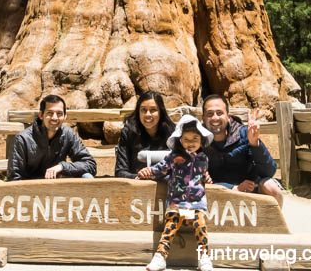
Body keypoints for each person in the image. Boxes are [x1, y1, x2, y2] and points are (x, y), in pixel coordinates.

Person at [137, 114, 214, 271]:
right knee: (170, 226)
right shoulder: (173, 157)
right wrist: (148, 172)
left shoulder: (203, 158)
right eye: (186, 139)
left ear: (201, 140)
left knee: (200, 226)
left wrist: (207, 177)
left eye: (195, 139)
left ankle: (204, 257)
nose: (191, 143)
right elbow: (161, 169)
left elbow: (202, 174)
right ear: (180, 140)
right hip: (177, 201)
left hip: (196, 202)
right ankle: (160, 257)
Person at [202, 94, 282, 207]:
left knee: (271, 187)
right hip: (213, 194)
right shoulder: (197, 139)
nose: (215, 118)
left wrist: (255, 144)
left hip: (248, 191)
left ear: (228, 116)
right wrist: (233, 188)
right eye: (210, 114)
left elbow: (269, 171)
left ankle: (274, 224)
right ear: (203, 118)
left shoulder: (244, 134)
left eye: (219, 113)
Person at [7, 93, 96, 180]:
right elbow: (15, 177)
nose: (54, 117)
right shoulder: (22, 139)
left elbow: (90, 164)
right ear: (41, 115)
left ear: (65, 116)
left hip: (57, 187)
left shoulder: (68, 134)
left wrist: (62, 166)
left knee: (87, 177)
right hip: (32, 190)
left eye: (59, 113)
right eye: (50, 113)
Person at [115, 90, 175, 178]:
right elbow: (120, 171)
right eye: (143, 110)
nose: (147, 114)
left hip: (167, 187)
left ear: (160, 112)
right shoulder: (128, 133)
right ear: (138, 112)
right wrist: (139, 176)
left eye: (153, 110)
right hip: (136, 186)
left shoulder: (173, 133)